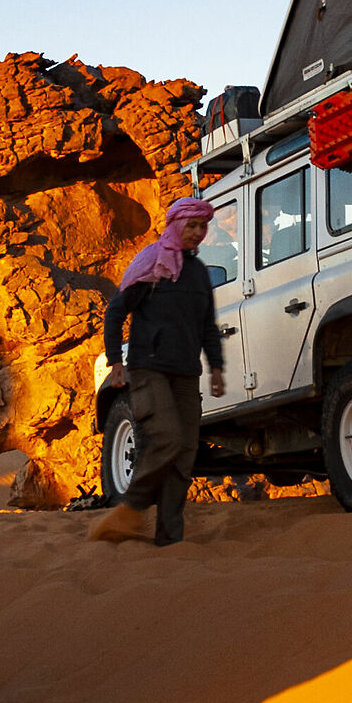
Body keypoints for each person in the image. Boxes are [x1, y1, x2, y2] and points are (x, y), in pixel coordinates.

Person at [89, 195, 225, 546]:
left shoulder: (197, 272)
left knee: (184, 455)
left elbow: (207, 325)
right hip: (148, 369)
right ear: (175, 225)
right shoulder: (151, 264)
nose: (197, 232)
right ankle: (129, 511)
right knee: (168, 438)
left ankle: (169, 539)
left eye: (202, 226)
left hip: (185, 372)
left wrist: (217, 368)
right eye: (191, 225)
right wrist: (115, 361)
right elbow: (115, 312)